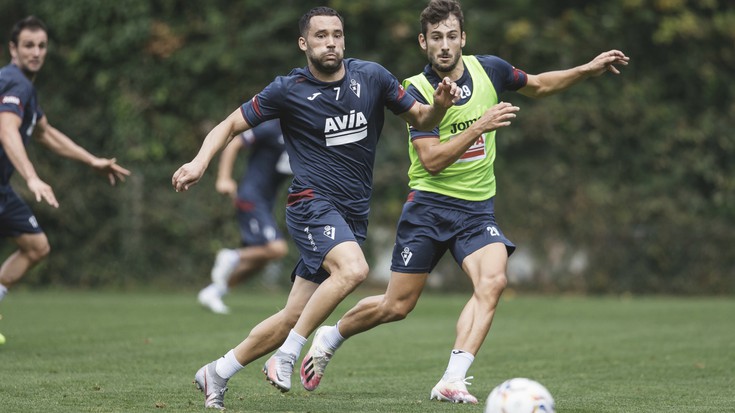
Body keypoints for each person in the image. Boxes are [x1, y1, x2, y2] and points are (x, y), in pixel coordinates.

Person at [298, 0, 630, 404]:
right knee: (396, 305)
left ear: (463, 39)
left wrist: (585, 70)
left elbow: (541, 84)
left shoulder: (489, 69)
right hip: (428, 209)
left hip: (476, 211)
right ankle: (330, 337)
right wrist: (480, 125)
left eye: (451, 36)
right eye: (435, 38)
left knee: (493, 281)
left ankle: (452, 378)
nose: (444, 45)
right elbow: (432, 162)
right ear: (423, 42)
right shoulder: (416, 91)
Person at [171, 6, 461, 409]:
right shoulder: (287, 90)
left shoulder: (373, 77)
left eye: (337, 35)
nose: (331, 42)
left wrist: (442, 106)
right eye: (321, 35)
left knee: (292, 315)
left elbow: (422, 116)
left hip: (350, 214)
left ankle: (216, 372)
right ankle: (287, 356)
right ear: (304, 44)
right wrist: (200, 163)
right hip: (311, 205)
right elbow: (229, 126)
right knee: (355, 269)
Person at [0, 16, 130, 304]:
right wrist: (32, 177)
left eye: (41, 46)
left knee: (36, 246)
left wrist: (92, 161)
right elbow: (6, 129)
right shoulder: (15, 83)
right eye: (28, 45)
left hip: (2, 189)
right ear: (13, 49)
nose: (35, 52)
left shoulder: (25, 90)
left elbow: (46, 134)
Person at [197, 119, 292, 315]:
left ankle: (214, 291)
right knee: (277, 249)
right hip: (251, 197)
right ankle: (231, 256)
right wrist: (224, 178)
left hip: (266, 202)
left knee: (260, 260)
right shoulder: (272, 127)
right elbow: (234, 143)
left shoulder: (305, 132)